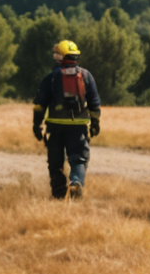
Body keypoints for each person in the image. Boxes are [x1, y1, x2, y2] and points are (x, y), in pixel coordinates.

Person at [33, 39, 101, 200]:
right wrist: (95, 123)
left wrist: (36, 125)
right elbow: (95, 103)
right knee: (79, 158)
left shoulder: (51, 77)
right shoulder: (86, 76)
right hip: (78, 127)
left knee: (55, 163)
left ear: (59, 57)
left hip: (55, 127)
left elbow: (40, 104)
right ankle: (76, 182)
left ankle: (58, 195)